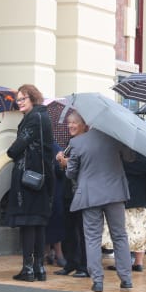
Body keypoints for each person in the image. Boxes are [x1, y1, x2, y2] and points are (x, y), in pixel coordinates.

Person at [66, 122, 135, 292]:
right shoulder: (116, 139)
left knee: (92, 238)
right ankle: (126, 279)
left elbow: (70, 172)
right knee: (119, 236)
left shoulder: (78, 142)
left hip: (90, 196)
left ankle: (97, 280)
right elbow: (130, 158)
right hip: (115, 194)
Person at [5, 84, 54, 282]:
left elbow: (19, 146)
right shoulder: (44, 116)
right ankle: (39, 267)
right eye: (18, 100)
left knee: (27, 222)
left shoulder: (33, 118)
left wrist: (10, 152)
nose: (19, 103)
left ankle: (28, 269)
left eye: (22, 99)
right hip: (42, 177)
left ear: (32, 98)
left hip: (29, 178)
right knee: (38, 223)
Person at [103, 152, 146, 272]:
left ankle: (120, 262)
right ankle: (138, 262)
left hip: (124, 193)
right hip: (143, 195)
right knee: (140, 229)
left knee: (122, 229)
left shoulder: (121, 152)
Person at [54, 111, 90, 278]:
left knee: (82, 231)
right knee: (69, 229)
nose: (71, 126)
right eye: (69, 123)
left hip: (82, 192)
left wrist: (67, 162)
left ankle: (84, 265)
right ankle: (71, 263)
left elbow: (86, 166)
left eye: (74, 122)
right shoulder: (71, 142)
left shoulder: (88, 142)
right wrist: (62, 161)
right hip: (69, 192)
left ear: (83, 124)